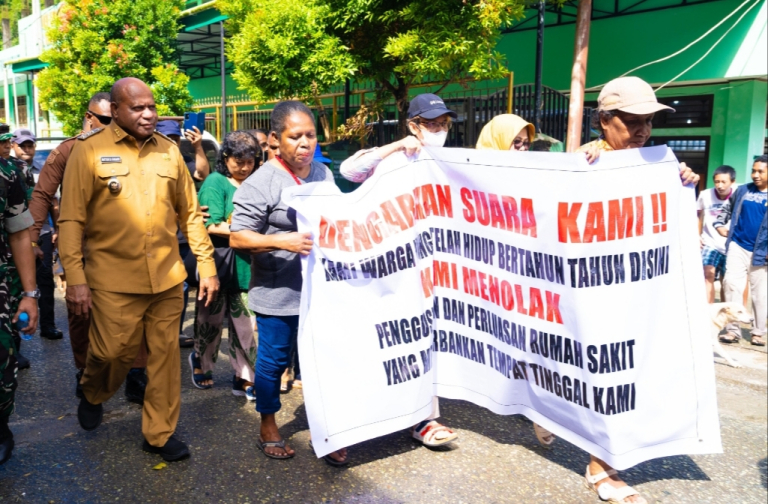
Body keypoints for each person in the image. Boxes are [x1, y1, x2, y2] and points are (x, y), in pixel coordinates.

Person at [58, 77, 219, 462]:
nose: (149, 114)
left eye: (152, 106)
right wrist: (75, 279)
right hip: (113, 280)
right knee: (112, 352)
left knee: (164, 360)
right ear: (115, 110)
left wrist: (207, 264)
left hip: (167, 278)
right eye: (138, 108)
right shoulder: (89, 152)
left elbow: (189, 215)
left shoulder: (169, 152)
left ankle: (158, 435)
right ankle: (93, 390)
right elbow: (70, 221)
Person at [577, 76, 699, 504]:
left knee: (628, 373)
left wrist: (684, 183)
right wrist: (579, 164)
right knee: (596, 374)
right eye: (632, 122)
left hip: (637, 292)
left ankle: (602, 461)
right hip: (589, 292)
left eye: (648, 121)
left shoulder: (659, 165)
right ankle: (588, 452)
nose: (643, 131)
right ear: (603, 121)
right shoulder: (583, 163)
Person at [339, 93, 460, 449]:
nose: (438, 130)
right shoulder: (396, 159)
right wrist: (395, 147)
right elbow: (349, 171)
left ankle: (425, 418)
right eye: (430, 124)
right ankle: (366, 417)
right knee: (386, 339)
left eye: (443, 124)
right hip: (390, 267)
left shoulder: (451, 161)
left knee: (424, 340)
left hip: (431, 269)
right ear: (412, 126)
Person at [229, 100, 345, 463]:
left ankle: (327, 431)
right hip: (277, 294)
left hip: (319, 292)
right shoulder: (260, 182)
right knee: (273, 363)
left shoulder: (323, 175)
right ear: (276, 140)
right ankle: (268, 424)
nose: (305, 143)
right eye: (296, 137)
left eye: (311, 135)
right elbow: (238, 237)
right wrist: (282, 240)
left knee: (321, 362)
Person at [28, 92, 149, 403]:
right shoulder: (68, 150)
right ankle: (84, 374)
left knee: (136, 314)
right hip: (78, 248)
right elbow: (42, 195)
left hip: (124, 247)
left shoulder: (130, 146)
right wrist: (30, 240)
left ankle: (136, 374)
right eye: (106, 120)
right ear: (89, 117)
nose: (113, 126)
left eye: (116, 119)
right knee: (81, 313)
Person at [475, 114, 559, 448]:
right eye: (516, 143)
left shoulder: (534, 175)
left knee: (532, 339)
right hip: (484, 278)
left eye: (526, 144)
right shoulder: (467, 175)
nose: (522, 150)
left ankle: (538, 408)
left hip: (525, 275)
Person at [188, 131, 259, 397]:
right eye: (238, 161)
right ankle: (202, 364)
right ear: (225, 158)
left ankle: (244, 376)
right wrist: (250, 235)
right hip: (217, 264)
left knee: (245, 325)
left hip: (247, 266)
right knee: (211, 321)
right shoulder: (215, 182)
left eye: (249, 161)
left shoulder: (255, 182)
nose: (244, 167)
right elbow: (212, 224)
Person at [155, 119, 211, 348]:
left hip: (182, 238)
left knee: (181, 285)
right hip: (157, 237)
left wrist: (198, 146)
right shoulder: (149, 163)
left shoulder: (183, 161)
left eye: (176, 138)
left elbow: (202, 173)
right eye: (169, 138)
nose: (173, 142)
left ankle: (172, 334)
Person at [0, 151, 39, 465]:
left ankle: (0, 428)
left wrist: (29, 294)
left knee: (2, 364)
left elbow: (19, 233)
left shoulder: (7, 174)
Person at [11, 128, 62, 342]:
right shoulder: (10, 171)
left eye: (30, 145)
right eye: (22, 145)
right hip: (17, 236)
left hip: (42, 233)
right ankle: (17, 337)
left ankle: (47, 326)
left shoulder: (44, 171)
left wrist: (58, 229)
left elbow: (54, 203)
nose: (26, 149)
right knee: (16, 285)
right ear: (13, 146)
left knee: (45, 281)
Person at [714, 155, 767, 346]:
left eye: (760, 171)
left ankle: (758, 332)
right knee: (731, 285)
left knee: (760, 293)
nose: (755, 174)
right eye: (754, 170)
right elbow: (726, 208)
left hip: (762, 251)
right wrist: (719, 224)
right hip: (737, 245)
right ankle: (733, 330)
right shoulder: (743, 190)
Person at [697, 165, 737, 304]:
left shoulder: (739, 194)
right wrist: (697, 235)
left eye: (723, 182)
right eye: (717, 181)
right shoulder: (705, 195)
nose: (719, 185)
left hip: (732, 244)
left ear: (732, 182)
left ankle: (729, 315)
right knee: (708, 274)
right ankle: (709, 312)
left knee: (728, 282)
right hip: (710, 242)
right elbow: (697, 214)